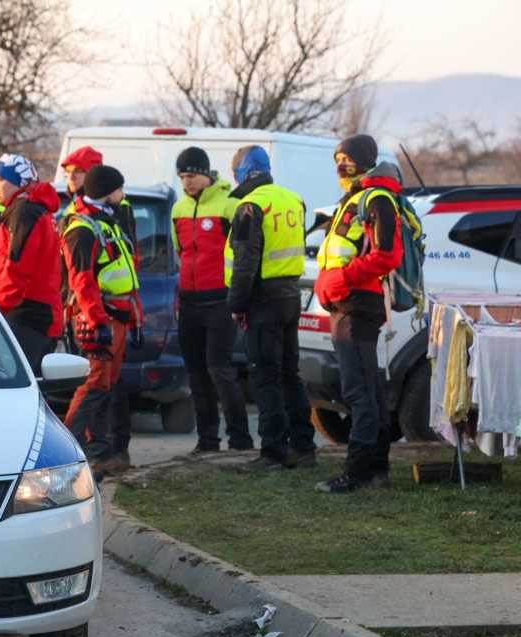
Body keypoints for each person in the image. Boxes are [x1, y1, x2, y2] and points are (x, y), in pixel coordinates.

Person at [313, 134, 404, 493]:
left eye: (347, 158)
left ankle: (359, 472)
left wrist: (341, 279)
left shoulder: (377, 198)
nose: (341, 165)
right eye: (337, 159)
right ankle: (376, 470)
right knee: (368, 390)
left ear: (365, 160)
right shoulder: (355, 198)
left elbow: (387, 255)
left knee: (359, 392)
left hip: (357, 305)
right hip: (347, 303)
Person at [225, 145, 316, 470]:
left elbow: (245, 263)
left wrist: (236, 304)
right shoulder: (293, 200)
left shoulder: (250, 207)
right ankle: (303, 446)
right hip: (290, 296)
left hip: (262, 301)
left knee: (265, 376)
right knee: (290, 374)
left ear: (243, 172)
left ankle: (273, 452)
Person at [171, 146, 253, 456]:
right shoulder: (178, 209)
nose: (187, 182)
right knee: (196, 374)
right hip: (189, 302)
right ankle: (207, 441)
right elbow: (180, 252)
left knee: (220, 371)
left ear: (206, 174)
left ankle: (240, 439)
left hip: (219, 300)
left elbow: (242, 252)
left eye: (192, 175)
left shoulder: (229, 204)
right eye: (182, 177)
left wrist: (238, 295)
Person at [62, 165, 141, 477]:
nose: (123, 194)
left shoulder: (108, 222)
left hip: (116, 315)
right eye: (119, 189)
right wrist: (97, 322)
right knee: (93, 385)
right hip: (99, 318)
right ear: (108, 192)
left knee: (106, 386)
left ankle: (100, 454)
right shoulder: (82, 229)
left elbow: (125, 275)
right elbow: (82, 281)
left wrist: (135, 320)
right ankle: (66, 453)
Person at [0, 154, 63, 372]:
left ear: (19, 183)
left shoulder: (24, 212)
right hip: (37, 313)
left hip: (27, 316)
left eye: (0, 179)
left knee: (11, 379)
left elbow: (17, 268)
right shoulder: (33, 208)